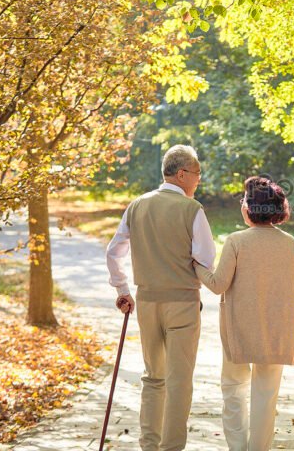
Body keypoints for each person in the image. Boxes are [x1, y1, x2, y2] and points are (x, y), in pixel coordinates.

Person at [105, 144, 216, 451]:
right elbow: (205, 259)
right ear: (182, 174)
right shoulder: (192, 210)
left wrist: (122, 290)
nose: (198, 180)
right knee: (179, 382)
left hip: (147, 303)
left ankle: (149, 446)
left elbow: (114, 251)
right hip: (182, 303)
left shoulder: (137, 205)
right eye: (196, 173)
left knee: (154, 378)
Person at [194, 176, 294, 451]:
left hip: (239, 329)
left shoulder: (236, 241)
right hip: (276, 330)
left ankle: (237, 447)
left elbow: (218, 285)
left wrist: (197, 265)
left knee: (233, 389)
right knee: (266, 395)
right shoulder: (290, 243)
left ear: (248, 208)